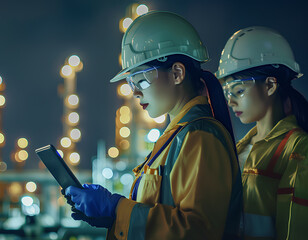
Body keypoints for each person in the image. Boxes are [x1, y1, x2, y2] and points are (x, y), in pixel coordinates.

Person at [63, 11, 243, 239]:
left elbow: (198, 231)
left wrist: (116, 207)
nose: (135, 92)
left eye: (141, 79)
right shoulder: (176, 137)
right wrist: (114, 218)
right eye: (131, 83)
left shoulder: (200, 137)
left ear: (177, 73)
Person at [217, 26, 308, 239]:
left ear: (269, 85)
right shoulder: (239, 147)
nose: (230, 101)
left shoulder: (298, 148)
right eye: (227, 92)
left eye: (238, 90)